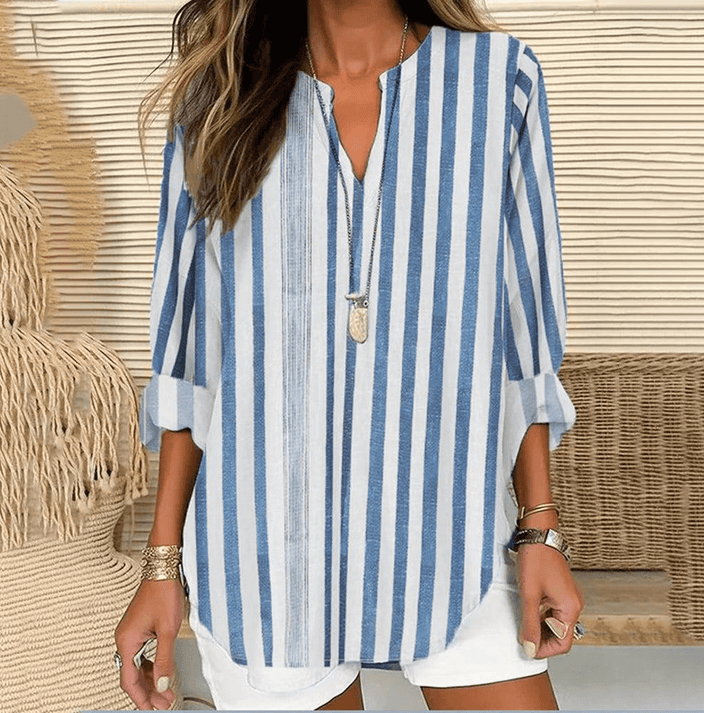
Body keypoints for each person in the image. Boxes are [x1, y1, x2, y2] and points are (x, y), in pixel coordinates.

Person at [114, 0, 585, 709]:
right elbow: (191, 359)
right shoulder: (220, 100)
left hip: (452, 526)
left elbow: (523, 333)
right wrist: (161, 565)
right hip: (263, 554)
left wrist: (539, 529)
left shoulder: (497, 82)